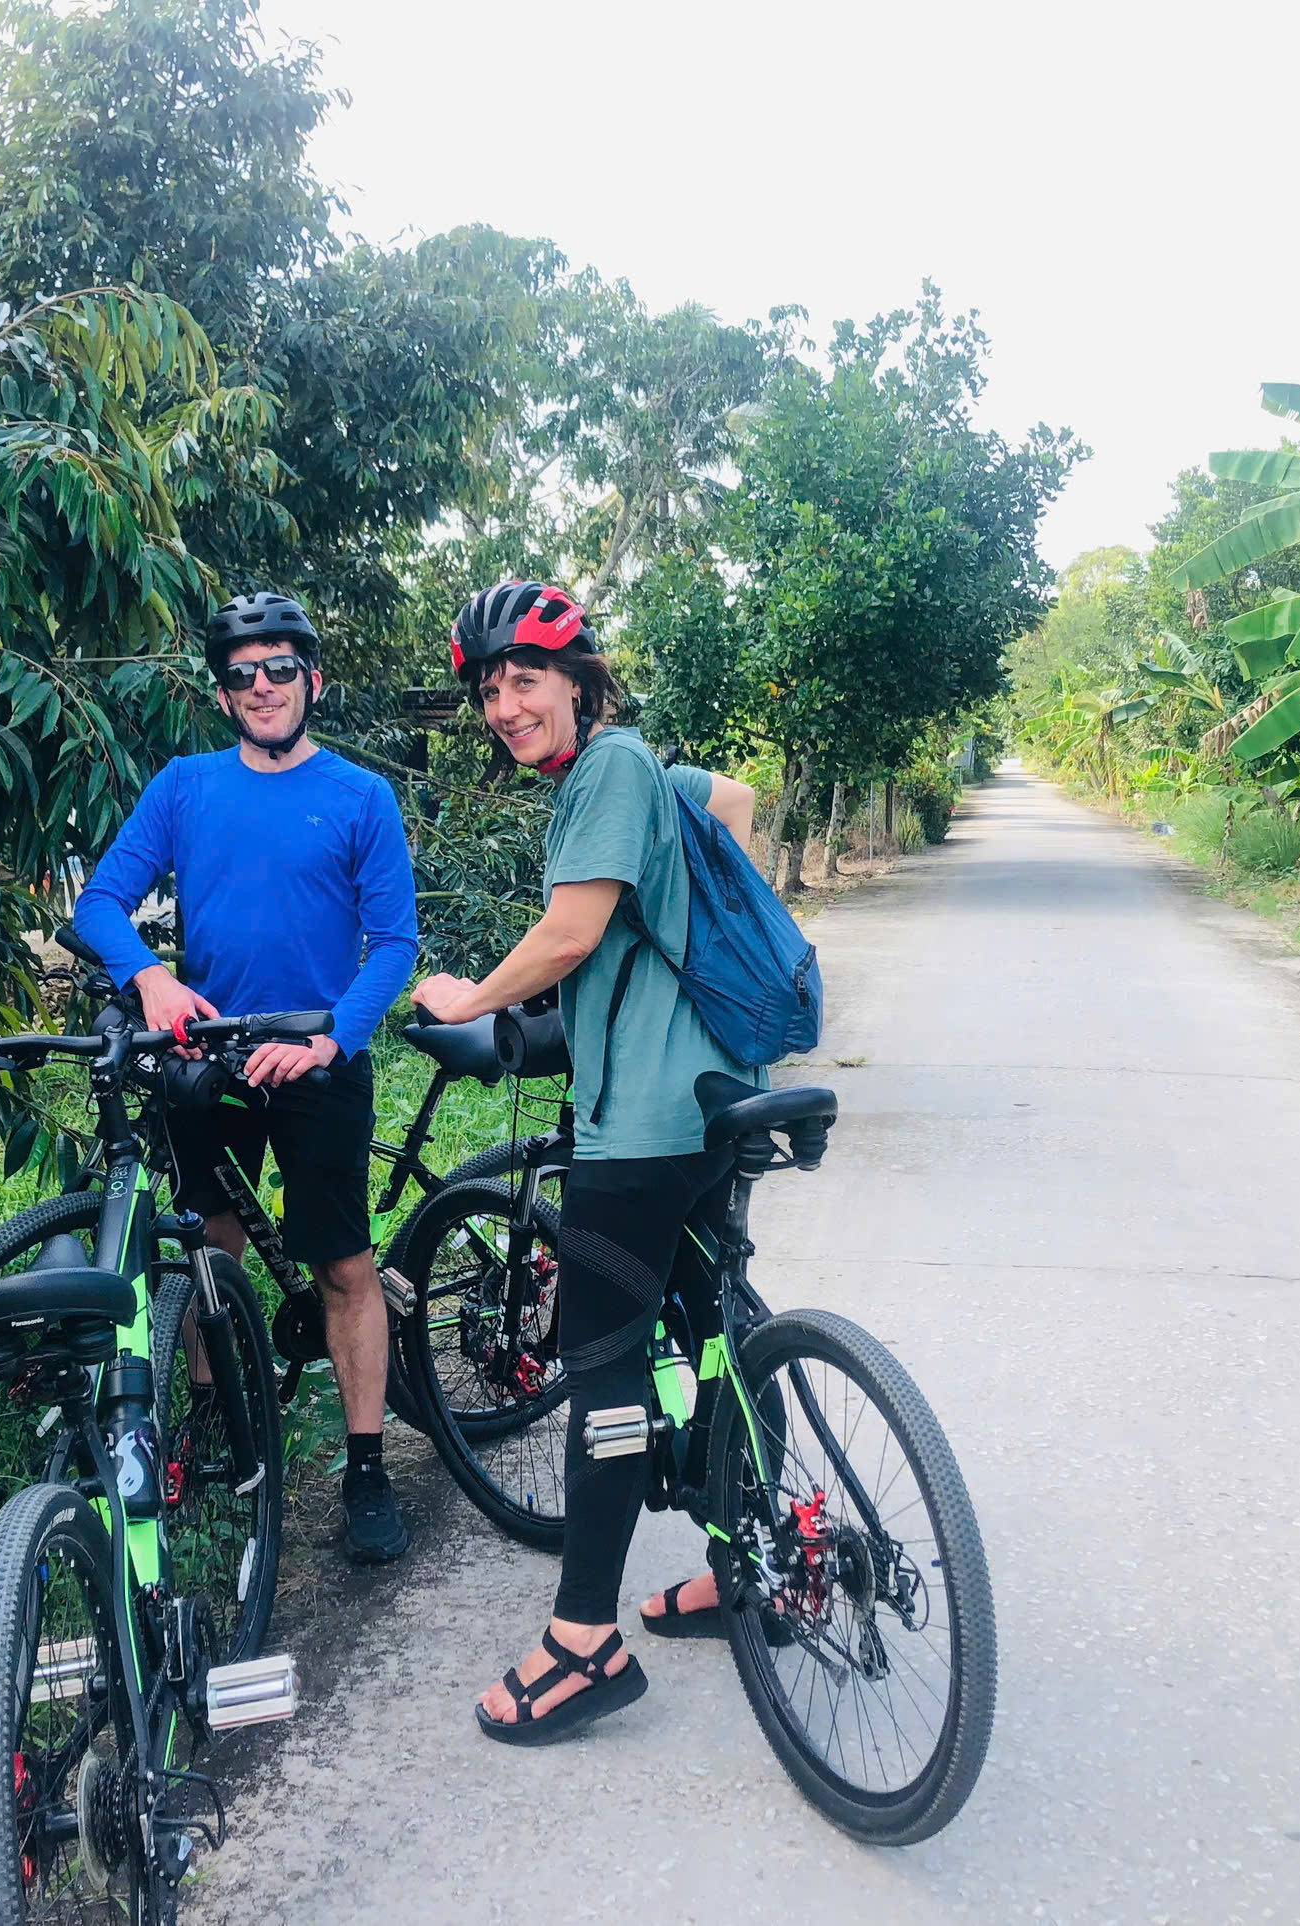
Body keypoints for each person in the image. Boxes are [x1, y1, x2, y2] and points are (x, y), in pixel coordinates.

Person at [409, 581, 761, 1743]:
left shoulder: (608, 771)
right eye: (489, 690)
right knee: (711, 1333)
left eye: (526, 680)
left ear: (578, 681)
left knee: (606, 1372)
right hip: (717, 1095)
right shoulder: (647, 772)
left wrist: (471, 995)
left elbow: (569, 933)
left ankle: (582, 1646)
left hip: (645, 1125)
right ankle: (749, 1558)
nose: (506, 706)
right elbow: (741, 802)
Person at [74, 590, 420, 1564]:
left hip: (318, 1056)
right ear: (223, 697)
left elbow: (395, 942)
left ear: (313, 681)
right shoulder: (185, 787)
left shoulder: (361, 796)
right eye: (241, 675)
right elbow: (100, 903)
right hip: (210, 1059)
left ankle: (365, 1467)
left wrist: (333, 1040)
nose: (262, 686)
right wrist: (149, 977)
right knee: (208, 1247)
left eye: (279, 669)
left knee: (343, 1266)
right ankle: (218, 1423)